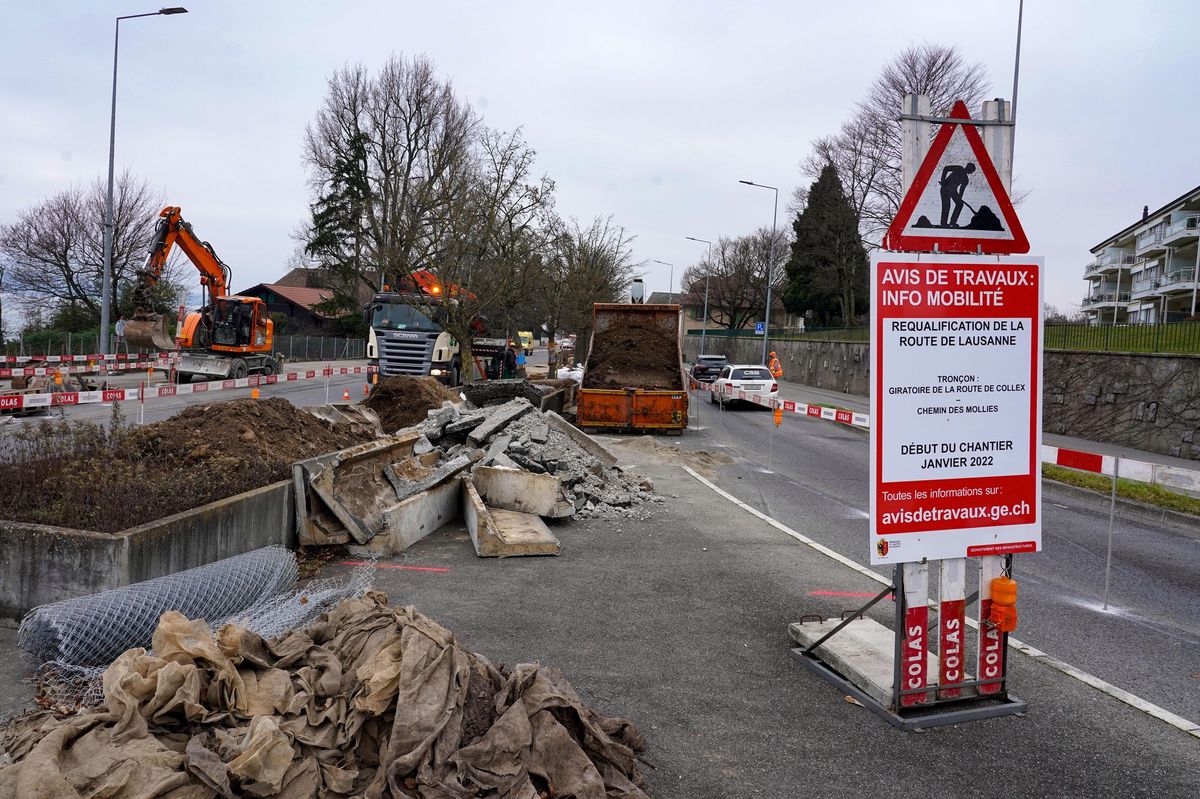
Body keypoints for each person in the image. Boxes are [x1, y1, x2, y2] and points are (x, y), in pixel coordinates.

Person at [939, 162, 976, 228]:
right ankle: (944, 224)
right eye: (971, 170)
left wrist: (959, 198)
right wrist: (943, 181)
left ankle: (953, 222)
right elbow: (946, 168)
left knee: (960, 204)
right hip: (945, 188)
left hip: (953, 191)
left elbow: (961, 191)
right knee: (947, 205)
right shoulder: (959, 168)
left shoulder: (966, 180)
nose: (970, 172)